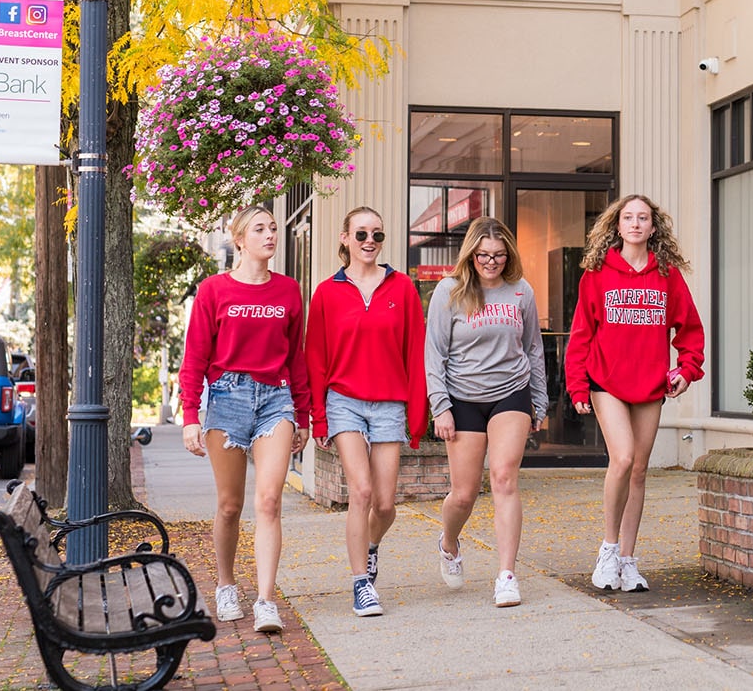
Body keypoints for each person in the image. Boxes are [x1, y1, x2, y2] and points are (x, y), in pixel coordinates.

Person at [178, 205, 311, 634]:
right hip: (227, 399)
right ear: (239, 239)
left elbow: (297, 358)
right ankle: (226, 584)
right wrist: (190, 416)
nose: (271, 234)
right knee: (230, 505)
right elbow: (195, 358)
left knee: (269, 501)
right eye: (260, 229)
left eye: (273, 228)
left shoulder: (290, 291)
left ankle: (267, 600)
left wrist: (303, 414)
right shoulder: (214, 291)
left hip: (275, 399)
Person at [565, 194, 704, 593]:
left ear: (653, 227)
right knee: (622, 458)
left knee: (640, 470)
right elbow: (581, 336)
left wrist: (687, 369)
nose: (636, 224)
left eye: (643, 218)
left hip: (649, 384)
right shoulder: (596, 273)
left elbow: (690, 330)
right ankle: (607, 550)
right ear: (618, 225)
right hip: (606, 381)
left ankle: (627, 560)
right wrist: (577, 385)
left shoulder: (667, 275)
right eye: (628, 217)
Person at [306, 206, 428, 618]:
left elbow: (416, 354)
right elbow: (315, 358)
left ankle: (371, 547)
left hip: (390, 403)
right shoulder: (326, 292)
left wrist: (417, 418)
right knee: (359, 492)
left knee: (386, 503)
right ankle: (362, 584)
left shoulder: (403, 288)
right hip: (344, 401)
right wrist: (318, 417)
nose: (369, 241)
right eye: (360, 234)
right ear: (345, 239)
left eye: (376, 234)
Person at [426, 217, 548, 608]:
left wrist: (539, 401)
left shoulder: (521, 292)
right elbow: (435, 354)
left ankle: (506, 575)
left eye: (498, 255)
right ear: (471, 255)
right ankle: (448, 543)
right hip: (462, 398)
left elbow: (533, 348)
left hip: (511, 393)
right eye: (483, 255)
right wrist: (440, 406)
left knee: (504, 478)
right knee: (463, 494)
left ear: (508, 254)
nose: (491, 262)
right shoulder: (450, 291)